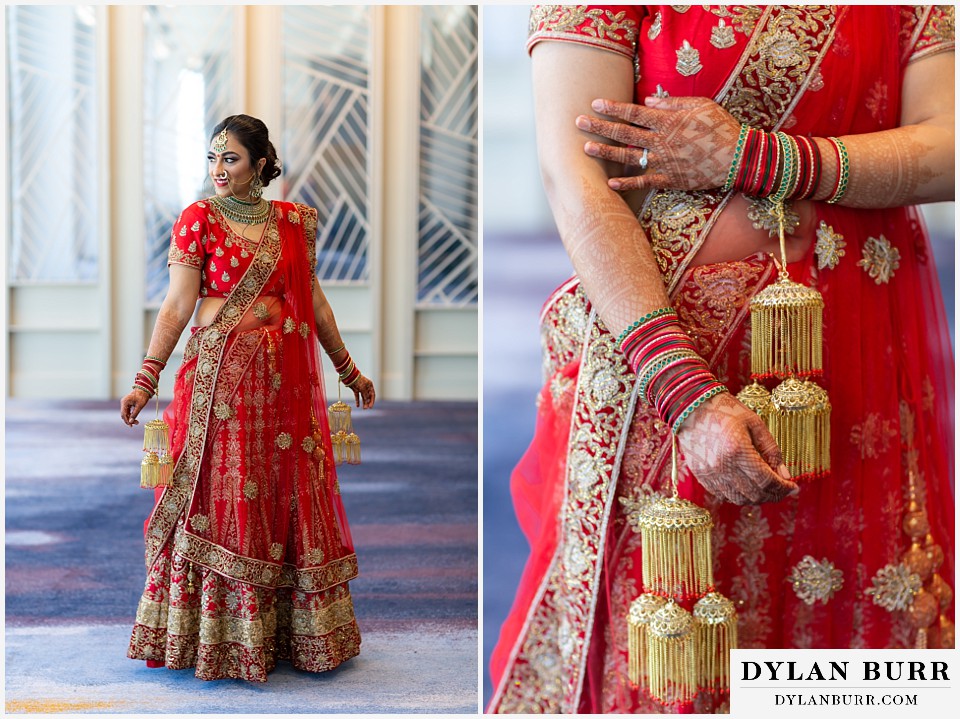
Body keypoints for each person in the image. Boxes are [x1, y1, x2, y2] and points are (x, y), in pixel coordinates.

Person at [489, 6, 954, 713]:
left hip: (858, 351)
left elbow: (947, 145)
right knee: (676, 636)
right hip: (670, 361)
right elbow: (574, 175)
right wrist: (684, 390)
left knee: (853, 631)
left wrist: (757, 157)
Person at [120, 114, 375, 682]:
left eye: (231, 159)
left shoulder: (296, 223)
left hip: (283, 387)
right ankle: (217, 634)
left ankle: (285, 632)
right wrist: (147, 375)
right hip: (220, 383)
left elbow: (316, 304)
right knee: (224, 494)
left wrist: (348, 370)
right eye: (213, 158)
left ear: (260, 164)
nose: (218, 170)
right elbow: (176, 306)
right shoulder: (198, 220)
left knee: (281, 491)